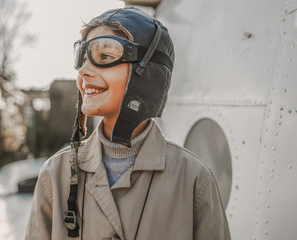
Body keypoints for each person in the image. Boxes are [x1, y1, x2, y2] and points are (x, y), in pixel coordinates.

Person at [26, 7, 230, 240]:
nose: (83, 71)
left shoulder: (194, 180)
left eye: (104, 57)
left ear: (147, 73)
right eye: (82, 59)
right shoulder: (55, 175)